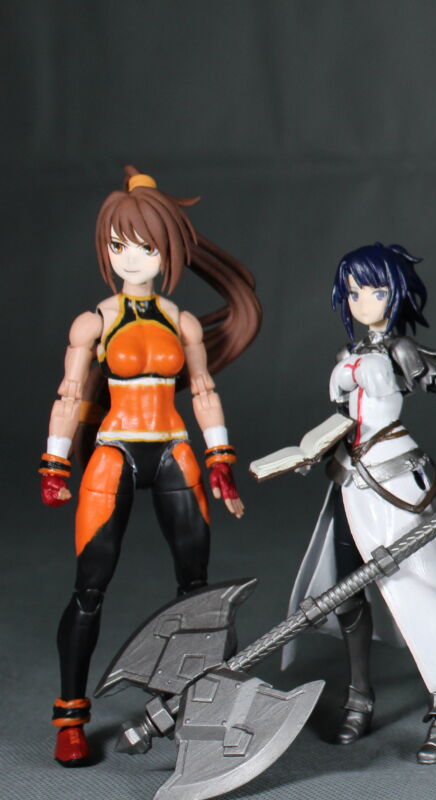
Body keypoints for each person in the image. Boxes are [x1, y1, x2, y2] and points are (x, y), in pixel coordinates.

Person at [41, 166, 260, 766]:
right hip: (114, 448)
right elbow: (70, 394)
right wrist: (54, 462)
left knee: (196, 590)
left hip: (170, 448)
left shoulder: (181, 321)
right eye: (119, 245)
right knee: (90, 588)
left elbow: (204, 390)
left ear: (167, 251)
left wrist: (220, 459)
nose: (131, 258)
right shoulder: (95, 321)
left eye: (145, 246)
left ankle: (201, 702)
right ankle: (70, 715)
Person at [281, 242, 436, 764]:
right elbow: (347, 419)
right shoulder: (347, 355)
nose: (362, 301)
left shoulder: (402, 351)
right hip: (348, 481)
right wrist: (312, 451)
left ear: (395, 293)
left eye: (374, 290)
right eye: (353, 292)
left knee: (419, 589)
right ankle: (359, 696)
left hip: (394, 483)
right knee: (346, 592)